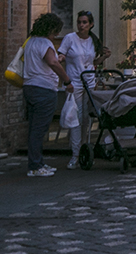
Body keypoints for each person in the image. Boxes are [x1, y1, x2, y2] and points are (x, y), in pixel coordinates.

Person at [22, 13, 74, 177]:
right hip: (43, 89)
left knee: (33, 127)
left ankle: (37, 162)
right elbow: (52, 62)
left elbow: (44, 60)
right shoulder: (45, 42)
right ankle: (35, 166)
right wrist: (67, 80)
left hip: (29, 87)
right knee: (39, 129)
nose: (56, 35)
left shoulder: (30, 42)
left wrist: (55, 58)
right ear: (51, 29)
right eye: (56, 31)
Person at [58, 10, 110, 170]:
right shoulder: (70, 39)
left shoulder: (93, 41)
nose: (81, 25)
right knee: (76, 118)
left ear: (91, 24)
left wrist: (104, 57)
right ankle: (75, 155)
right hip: (75, 83)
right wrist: (60, 62)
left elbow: (92, 62)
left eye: (84, 22)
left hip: (89, 81)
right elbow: (61, 55)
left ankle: (85, 151)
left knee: (87, 119)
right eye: (79, 22)